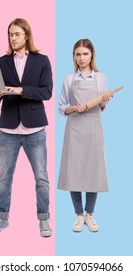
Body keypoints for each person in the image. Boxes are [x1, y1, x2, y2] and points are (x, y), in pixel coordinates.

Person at [0, 18, 53, 237]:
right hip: (8, 129)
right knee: (4, 177)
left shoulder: (42, 60)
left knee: (41, 177)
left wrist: (20, 90)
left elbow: (47, 92)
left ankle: (44, 219)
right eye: (9, 34)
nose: (12, 38)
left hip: (35, 129)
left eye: (16, 34)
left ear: (26, 35)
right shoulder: (1, 61)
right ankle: (2, 218)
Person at [58, 39, 110, 232]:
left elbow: (103, 107)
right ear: (74, 56)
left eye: (85, 54)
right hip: (75, 128)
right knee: (74, 171)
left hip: (94, 126)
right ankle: (78, 215)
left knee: (93, 171)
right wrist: (73, 107)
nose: (81, 58)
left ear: (92, 55)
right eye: (78, 54)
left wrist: (103, 101)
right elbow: (61, 107)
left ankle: (90, 215)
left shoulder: (101, 78)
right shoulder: (69, 79)